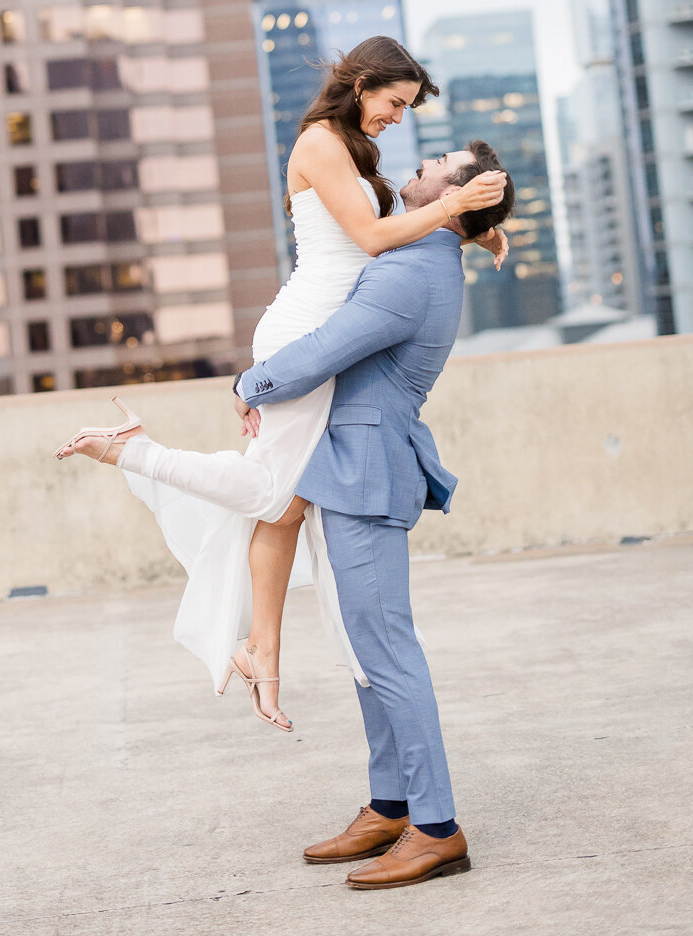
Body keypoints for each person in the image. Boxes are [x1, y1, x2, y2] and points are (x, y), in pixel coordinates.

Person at [54, 35, 511, 728]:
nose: (397, 118)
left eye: (407, 108)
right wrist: (453, 209)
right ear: (361, 84)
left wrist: (472, 231)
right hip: (305, 335)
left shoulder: (354, 149)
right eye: (394, 103)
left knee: (288, 507)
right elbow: (371, 240)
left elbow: (381, 227)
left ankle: (261, 652)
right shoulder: (322, 143)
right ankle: (134, 452)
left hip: (325, 332)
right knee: (272, 491)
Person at [230, 144, 509, 888]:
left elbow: (329, 346)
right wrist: (483, 228)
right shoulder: (425, 251)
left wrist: (251, 382)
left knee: (385, 649)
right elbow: (383, 222)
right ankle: (391, 806)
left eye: (439, 162)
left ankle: (437, 828)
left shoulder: (412, 270)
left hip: (366, 468)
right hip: (349, 463)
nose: (419, 162)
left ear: (454, 193)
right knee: (366, 651)